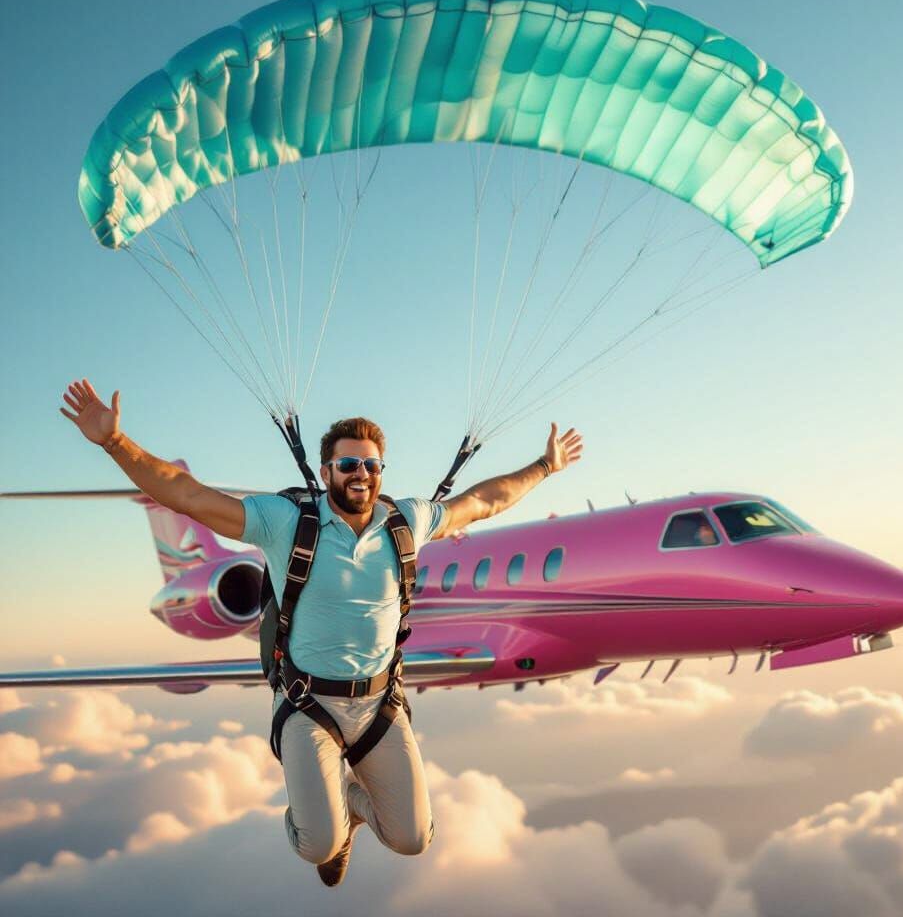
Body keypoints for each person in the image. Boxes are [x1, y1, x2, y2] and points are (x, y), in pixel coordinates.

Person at [59, 378, 584, 887]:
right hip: (309, 705)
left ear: (382, 470)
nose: (362, 474)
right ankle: (328, 826)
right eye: (349, 464)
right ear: (327, 468)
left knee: (413, 840)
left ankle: (351, 802)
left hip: (380, 704)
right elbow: (190, 497)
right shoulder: (284, 520)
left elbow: (483, 501)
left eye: (372, 464)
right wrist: (114, 442)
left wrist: (545, 465)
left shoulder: (407, 520)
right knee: (317, 847)